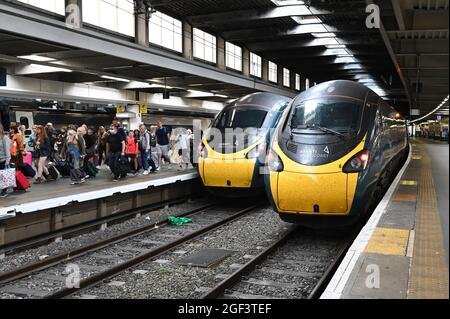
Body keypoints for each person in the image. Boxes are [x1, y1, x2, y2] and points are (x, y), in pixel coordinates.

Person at [0, 124, 11, 198]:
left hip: (3, 159)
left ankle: (4, 190)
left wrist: (8, 159)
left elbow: (7, 149)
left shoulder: (4, 138)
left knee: (3, 175)